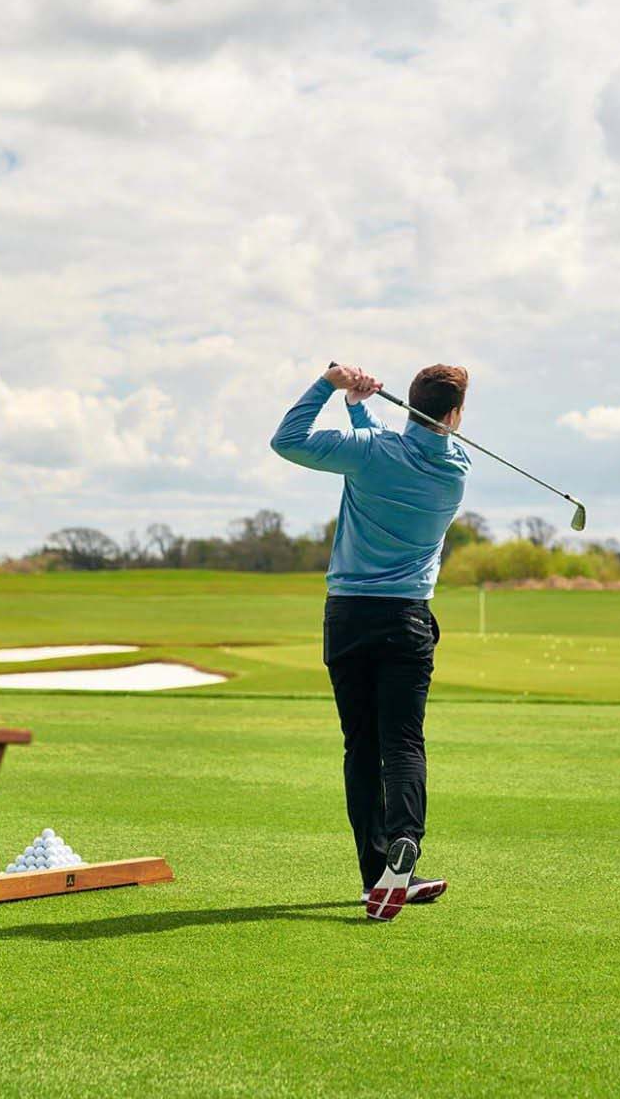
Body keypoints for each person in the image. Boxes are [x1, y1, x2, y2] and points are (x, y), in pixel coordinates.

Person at [271, 362, 471, 921]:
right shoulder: (457, 468)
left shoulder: (369, 453)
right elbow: (394, 445)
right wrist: (361, 410)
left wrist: (331, 387)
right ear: (454, 416)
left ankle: (375, 872)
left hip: (349, 618)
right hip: (406, 619)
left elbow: (287, 441)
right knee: (403, 744)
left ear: (409, 402)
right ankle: (403, 849)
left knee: (360, 747)